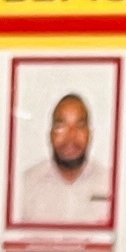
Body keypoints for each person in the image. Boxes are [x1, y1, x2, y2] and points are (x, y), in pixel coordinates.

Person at [14, 91, 111, 224]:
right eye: (61, 126)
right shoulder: (24, 186)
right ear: (50, 135)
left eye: (80, 126)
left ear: (90, 134)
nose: (71, 136)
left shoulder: (110, 185)